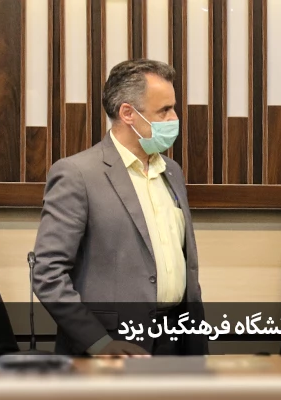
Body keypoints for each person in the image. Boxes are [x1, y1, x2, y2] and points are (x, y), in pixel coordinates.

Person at [32, 59, 206, 356]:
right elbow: (48, 273)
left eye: (173, 108)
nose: (174, 118)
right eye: (164, 110)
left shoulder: (172, 171)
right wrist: (99, 343)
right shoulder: (77, 174)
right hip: (112, 347)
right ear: (128, 113)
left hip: (177, 341)